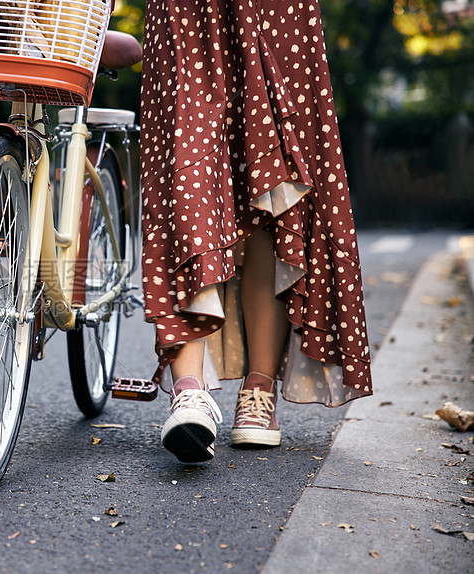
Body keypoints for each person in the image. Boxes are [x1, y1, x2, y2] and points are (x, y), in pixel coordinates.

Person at [139, 0, 373, 462]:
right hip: (188, 11)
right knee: (188, 176)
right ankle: (190, 387)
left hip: (278, 11)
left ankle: (258, 390)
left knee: (271, 188)